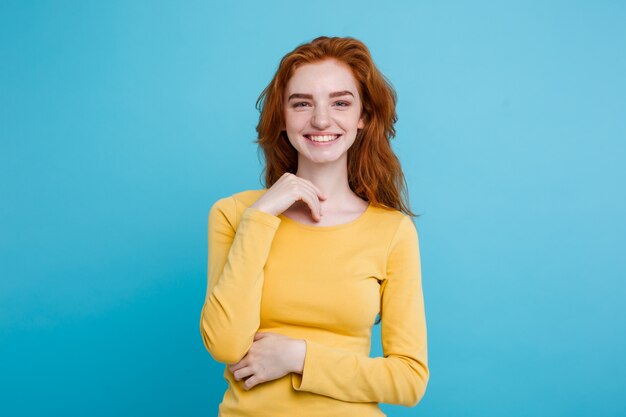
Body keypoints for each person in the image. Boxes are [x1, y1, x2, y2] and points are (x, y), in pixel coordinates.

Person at [199, 35, 429, 417]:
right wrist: (261, 216)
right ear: (282, 117)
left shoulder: (392, 231)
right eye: (302, 103)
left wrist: (299, 357)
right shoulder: (235, 213)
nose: (321, 120)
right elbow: (225, 344)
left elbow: (408, 379)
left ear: (363, 118)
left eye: (340, 102)